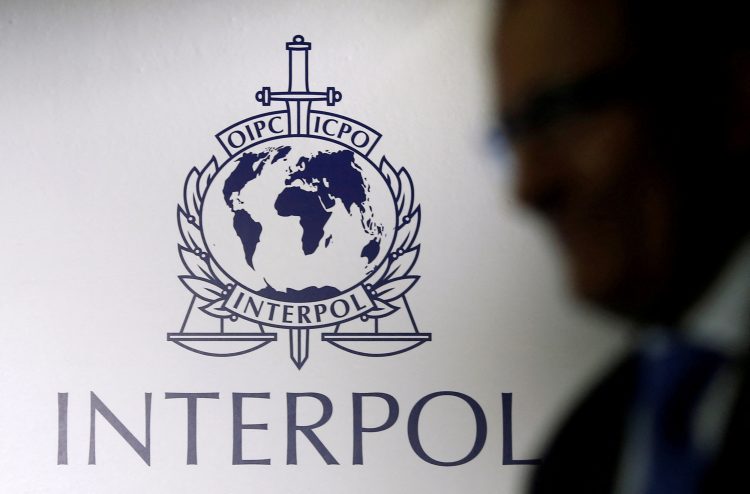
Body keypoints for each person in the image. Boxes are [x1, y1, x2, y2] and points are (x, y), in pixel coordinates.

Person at [494, 0, 750, 492]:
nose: (528, 187)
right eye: (513, 134)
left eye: (561, 111)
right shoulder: (572, 460)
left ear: (731, 93)